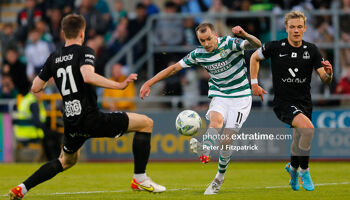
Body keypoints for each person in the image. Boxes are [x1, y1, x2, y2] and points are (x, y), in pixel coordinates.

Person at [8, 14, 165, 200]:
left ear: (63, 33)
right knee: (146, 123)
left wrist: (53, 76)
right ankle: (139, 178)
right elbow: (88, 76)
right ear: (82, 33)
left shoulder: (53, 57)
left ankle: (22, 188)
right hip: (92, 118)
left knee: (66, 161)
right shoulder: (85, 51)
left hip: (72, 122)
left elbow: (35, 87)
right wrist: (119, 85)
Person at [140, 22, 261, 195]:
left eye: (209, 39)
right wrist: (149, 82)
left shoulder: (230, 43)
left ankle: (219, 177)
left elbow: (258, 45)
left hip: (241, 97)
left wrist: (245, 34)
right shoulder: (199, 54)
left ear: (216, 35)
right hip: (220, 95)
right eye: (202, 40)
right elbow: (174, 68)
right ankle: (205, 149)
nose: (206, 43)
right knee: (216, 120)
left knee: (227, 140)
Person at [250, 11, 333, 192]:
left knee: (297, 140)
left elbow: (324, 79)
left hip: (304, 102)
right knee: (308, 130)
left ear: (305, 28)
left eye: (299, 27)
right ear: (286, 28)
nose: (296, 30)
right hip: (283, 102)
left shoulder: (312, 50)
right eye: (292, 27)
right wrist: (254, 83)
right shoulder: (275, 47)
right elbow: (254, 57)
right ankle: (304, 170)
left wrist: (329, 73)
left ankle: (293, 169)